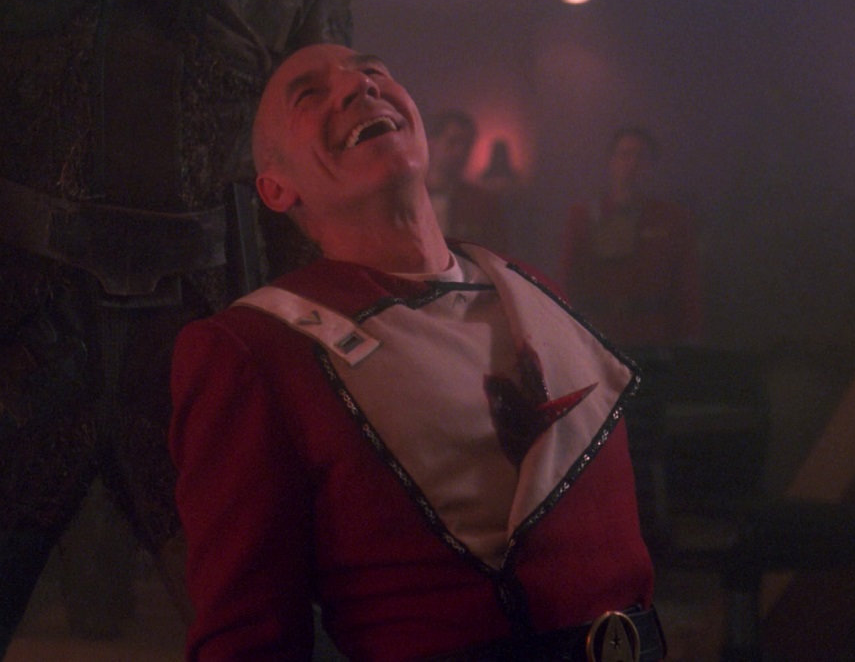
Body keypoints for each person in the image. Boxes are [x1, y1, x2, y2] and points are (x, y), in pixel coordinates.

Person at [168, 43, 665, 661]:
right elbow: (245, 639)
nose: (360, 87)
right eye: (310, 94)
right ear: (275, 188)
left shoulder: (536, 290)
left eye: (372, 70)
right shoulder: (254, 349)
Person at [0, 0, 362, 650]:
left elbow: (312, 180)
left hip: (204, 340)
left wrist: (305, 360)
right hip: (25, 332)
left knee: (263, 624)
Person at [560, 126, 702, 348]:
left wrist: (689, 338)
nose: (632, 164)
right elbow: (568, 278)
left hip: (652, 336)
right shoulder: (583, 217)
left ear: (651, 166)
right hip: (596, 333)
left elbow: (685, 285)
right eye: (625, 155)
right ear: (611, 161)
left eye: (641, 157)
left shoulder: (672, 219)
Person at [425, 109, 510, 254]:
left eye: (467, 144)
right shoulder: (406, 196)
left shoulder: (482, 203)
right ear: (432, 143)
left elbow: (498, 255)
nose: (460, 152)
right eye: (453, 141)